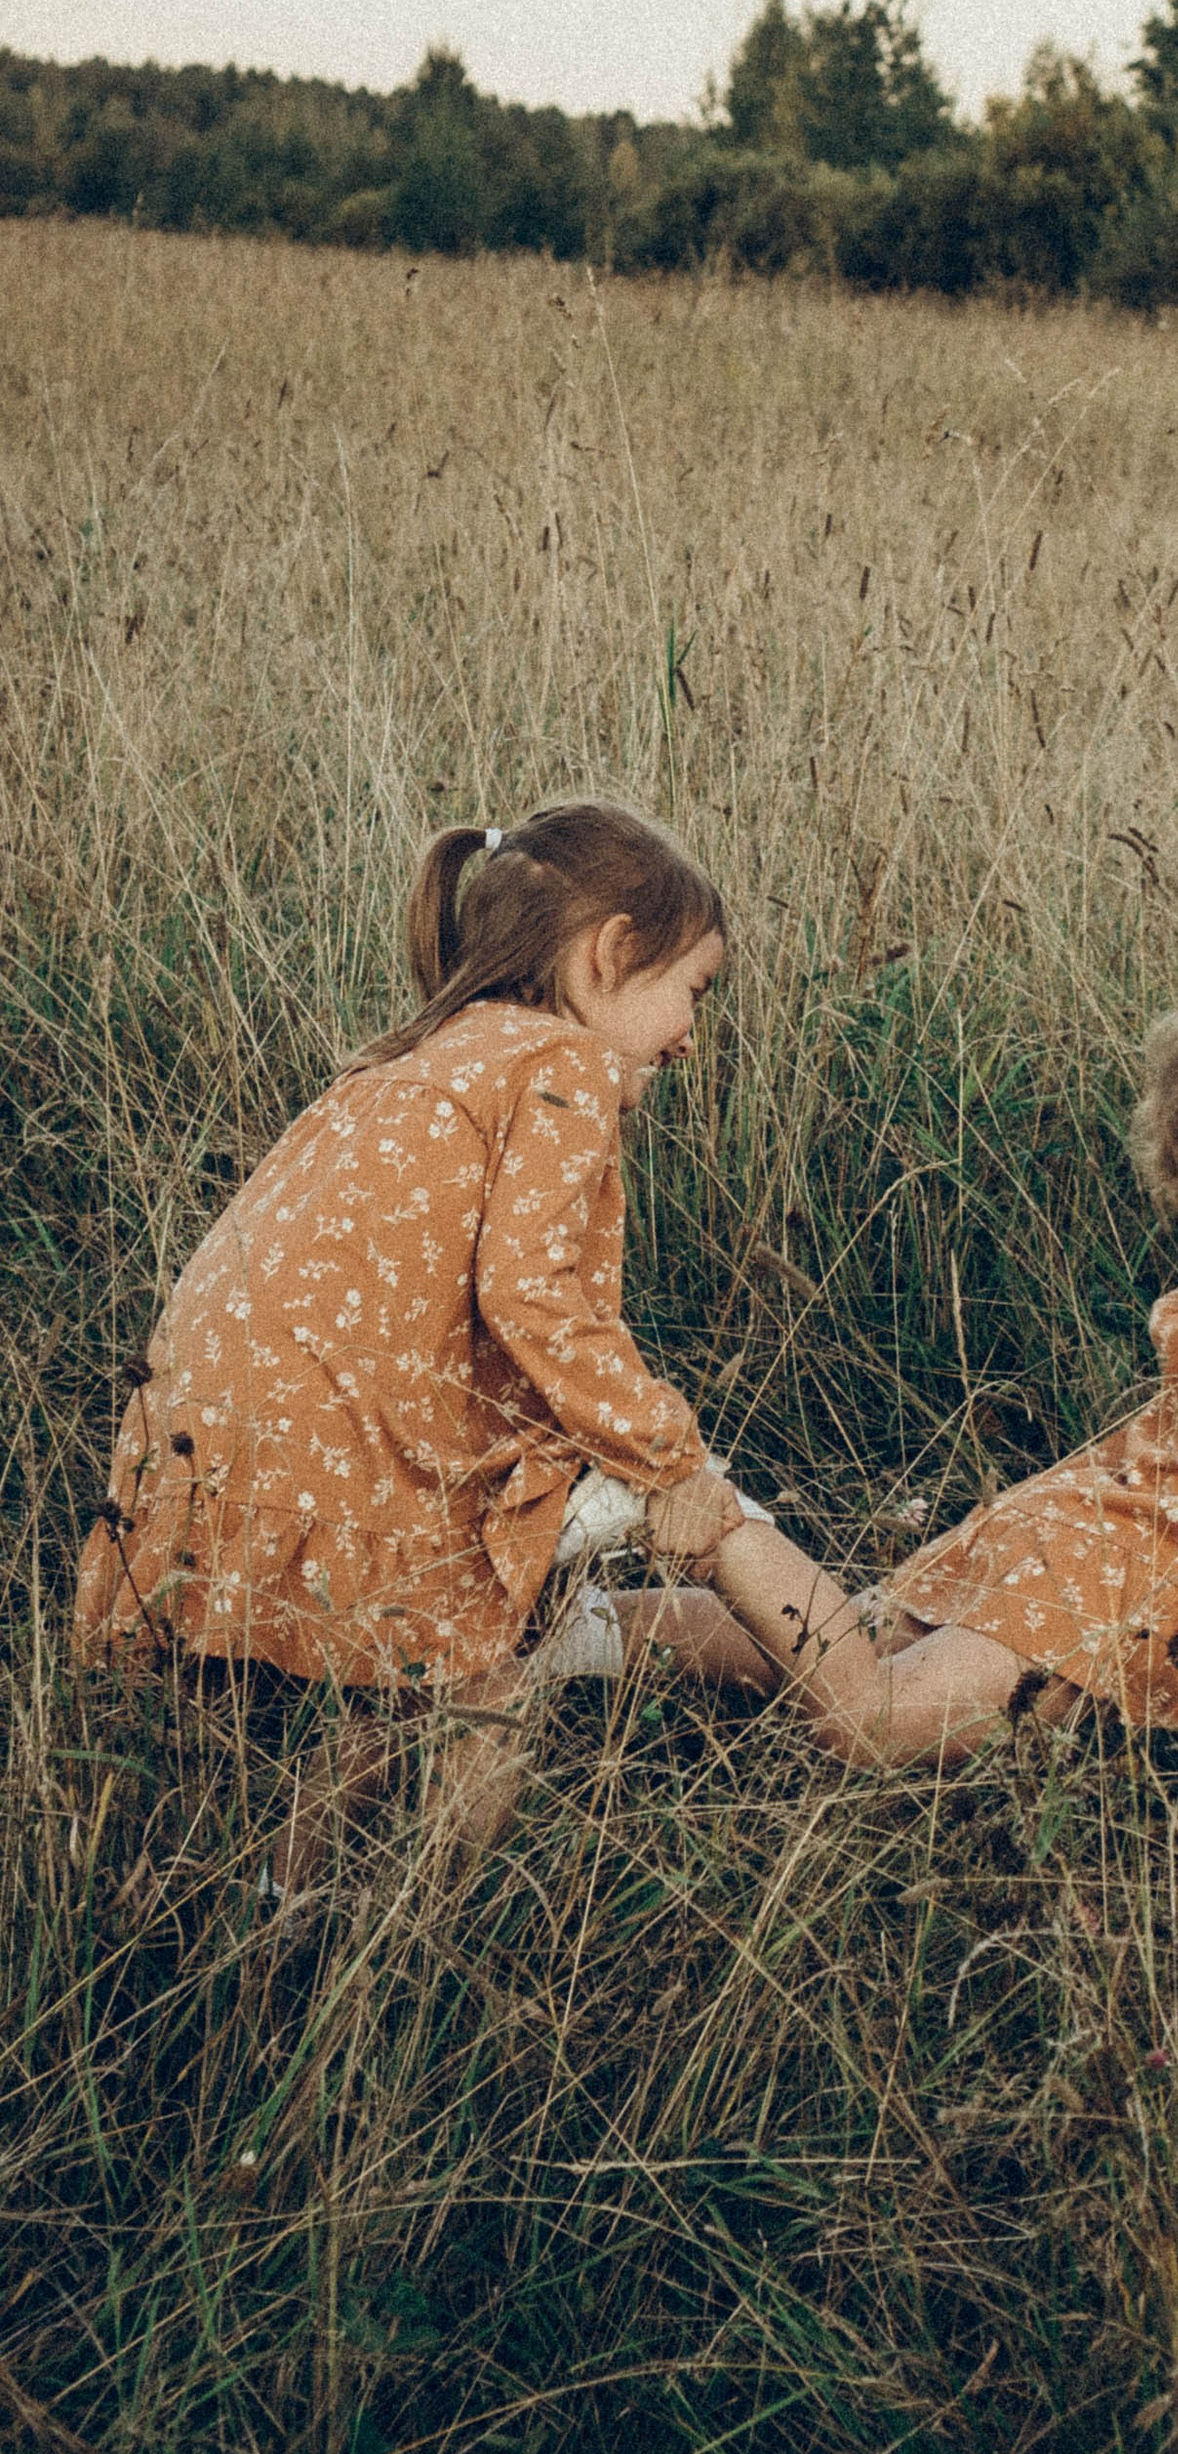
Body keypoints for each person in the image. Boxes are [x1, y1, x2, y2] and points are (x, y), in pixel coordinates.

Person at [641, 840, 1178, 1764]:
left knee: (840, 1656)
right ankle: (718, 1525)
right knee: (872, 1722)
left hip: (1108, 1530)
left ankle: (591, 1632)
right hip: (1140, 1574)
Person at [74, 801, 769, 1875]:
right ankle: (428, 1934)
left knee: (376, 1695)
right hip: (352, 1450)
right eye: (693, 991)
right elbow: (536, 1300)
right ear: (610, 954)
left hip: (204, 1436)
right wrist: (666, 1454)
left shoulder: (416, 1057)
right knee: (485, 1688)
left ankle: (275, 1916)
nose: (691, 1032)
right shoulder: (559, 1064)